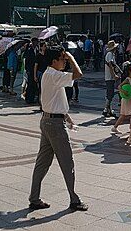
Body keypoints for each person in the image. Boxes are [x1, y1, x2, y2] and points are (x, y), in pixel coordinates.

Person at [28, 48, 87, 213]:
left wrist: (67, 118)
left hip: (47, 121)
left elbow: (53, 101)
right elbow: (78, 74)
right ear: (54, 61)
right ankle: (74, 200)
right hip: (54, 125)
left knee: (42, 163)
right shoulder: (54, 75)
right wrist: (72, 57)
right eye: (62, 58)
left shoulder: (49, 74)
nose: (64, 61)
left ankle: (34, 198)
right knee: (67, 162)